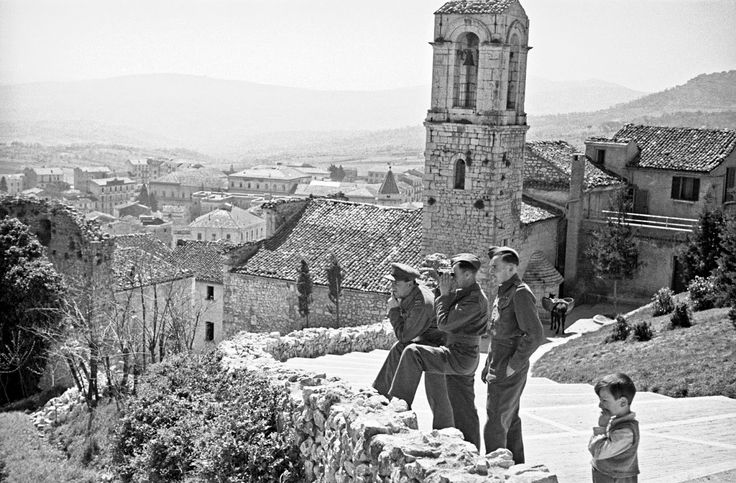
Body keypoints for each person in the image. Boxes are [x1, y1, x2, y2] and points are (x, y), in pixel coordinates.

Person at [389, 253, 488, 449]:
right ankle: (472, 451)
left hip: (459, 356)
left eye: (455, 274)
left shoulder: (474, 301)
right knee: (464, 409)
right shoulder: (466, 292)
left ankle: (398, 408)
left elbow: (444, 323)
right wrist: (441, 289)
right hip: (464, 356)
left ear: (468, 275)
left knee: (413, 353)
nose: (451, 278)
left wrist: (444, 294)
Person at [373, 262, 453, 430]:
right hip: (426, 340)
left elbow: (404, 336)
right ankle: (379, 395)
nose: (392, 286)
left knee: (437, 394)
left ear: (410, 283)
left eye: (396, 283)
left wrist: (393, 311)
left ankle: (445, 433)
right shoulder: (410, 293)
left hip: (439, 346)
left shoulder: (421, 304)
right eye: (392, 282)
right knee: (399, 350)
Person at [482, 246, 545, 463]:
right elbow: (498, 332)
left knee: (495, 423)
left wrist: (512, 365)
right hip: (498, 362)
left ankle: (495, 472)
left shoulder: (520, 293)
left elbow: (535, 334)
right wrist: (488, 363)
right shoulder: (504, 290)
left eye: (495, 267)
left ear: (510, 268)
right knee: (509, 419)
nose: (492, 271)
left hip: (508, 366)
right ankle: (517, 468)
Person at [589, 373, 640, 483]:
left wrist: (601, 427)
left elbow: (598, 452)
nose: (600, 405)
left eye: (604, 400)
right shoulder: (615, 420)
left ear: (623, 402)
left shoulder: (626, 432)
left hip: (616, 478)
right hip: (605, 475)